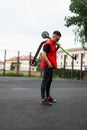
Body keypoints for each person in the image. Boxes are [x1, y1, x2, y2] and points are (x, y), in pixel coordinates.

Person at [40, 30, 61, 105]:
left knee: (49, 81)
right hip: (47, 65)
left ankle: (48, 97)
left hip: (51, 65)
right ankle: (43, 99)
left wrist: (57, 47)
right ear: (54, 36)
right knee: (45, 81)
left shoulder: (53, 44)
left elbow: (52, 52)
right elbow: (43, 55)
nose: (58, 40)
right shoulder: (48, 44)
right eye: (57, 39)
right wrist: (48, 63)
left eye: (59, 39)